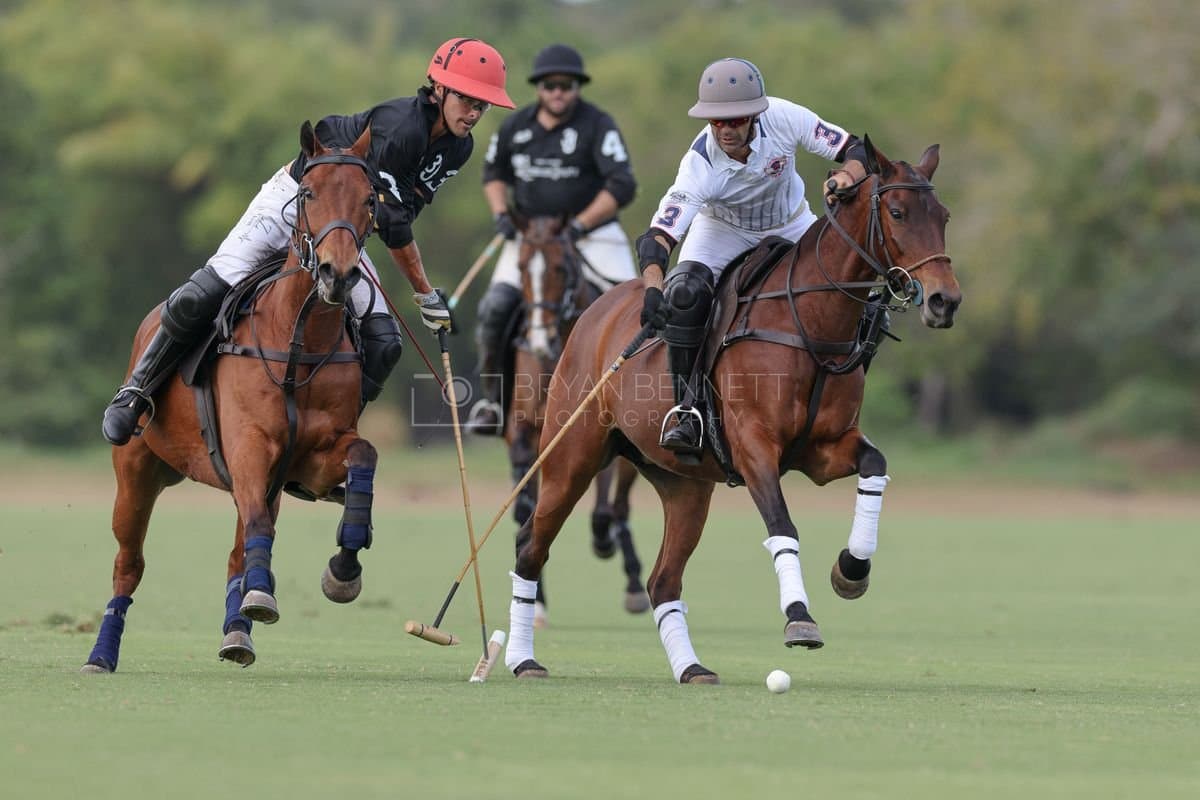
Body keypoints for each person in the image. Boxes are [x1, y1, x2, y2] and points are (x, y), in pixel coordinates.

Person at [101, 38, 516, 446]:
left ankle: (335, 434)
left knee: (385, 342)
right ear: (438, 89)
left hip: (340, 228)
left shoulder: (458, 149)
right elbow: (393, 226)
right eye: (467, 100)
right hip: (296, 198)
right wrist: (425, 295)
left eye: (483, 105)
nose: (475, 112)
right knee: (206, 291)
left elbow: (405, 212)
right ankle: (136, 392)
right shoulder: (402, 128)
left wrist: (408, 274)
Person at [635, 57, 869, 455]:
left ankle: (841, 393)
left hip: (791, 223)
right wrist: (654, 290)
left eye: (736, 119)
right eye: (717, 121)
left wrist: (846, 177)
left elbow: (856, 149)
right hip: (720, 231)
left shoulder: (784, 116)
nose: (726, 129)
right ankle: (687, 409)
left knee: (853, 289)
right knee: (686, 294)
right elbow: (657, 237)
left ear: (755, 115)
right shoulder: (700, 164)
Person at [467, 43, 638, 435]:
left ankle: (634, 402)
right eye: (549, 85)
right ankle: (492, 400)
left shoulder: (597, 125)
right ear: (539, 88)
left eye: (566, 84)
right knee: (494, 308)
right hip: (530, 239)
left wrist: (580, 224)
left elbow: (622, 183)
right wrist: (499, 215)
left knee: (633, 310)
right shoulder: (517, 126)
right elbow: (493, 173)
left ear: (577, 87)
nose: (557, 91)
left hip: (591, 236)